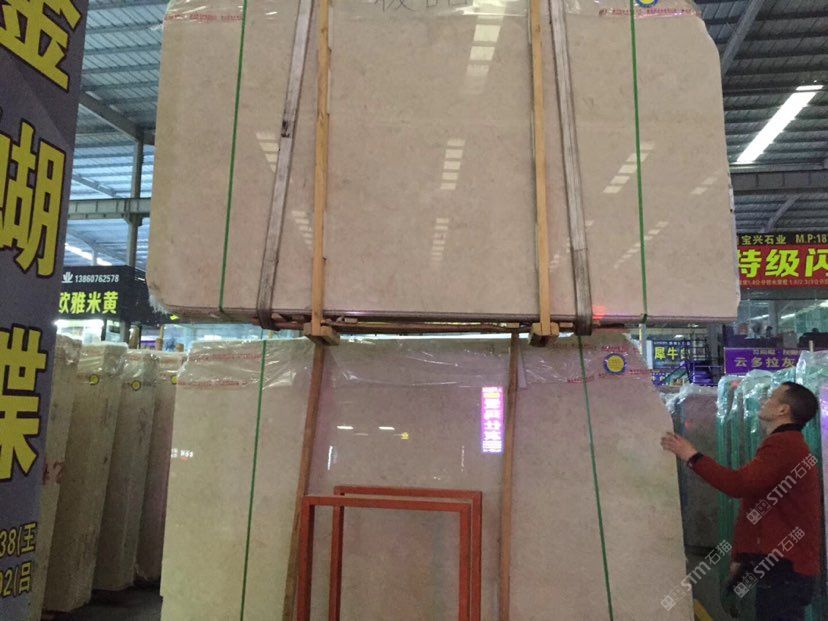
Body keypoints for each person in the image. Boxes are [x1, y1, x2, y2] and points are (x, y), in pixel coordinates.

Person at [661, 382, 821, 621]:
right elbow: (755, 505)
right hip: (779, 564)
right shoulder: (786, 444)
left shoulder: (784, 446)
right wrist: (742, 556)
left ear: (783, 410)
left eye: (771, 397)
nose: (764, 400)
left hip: (783, 568)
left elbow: (738, 485)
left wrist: (691, 456)